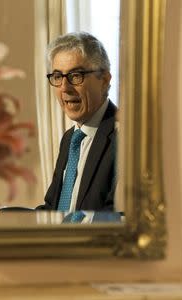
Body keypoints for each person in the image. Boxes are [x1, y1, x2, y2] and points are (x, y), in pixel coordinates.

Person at [37, 32, 117, 212]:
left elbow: (116, 218)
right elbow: (52, 213)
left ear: (104, 80)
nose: (65, 88)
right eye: (57, 76)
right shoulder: (70, 139)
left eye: (76, 75)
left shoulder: (125, 139)